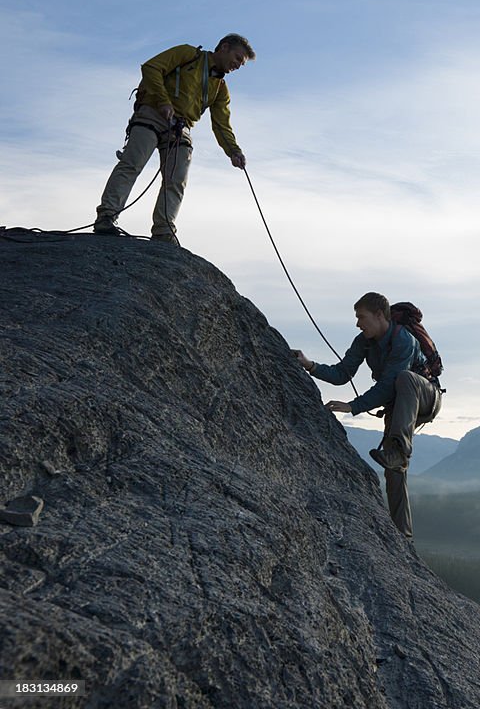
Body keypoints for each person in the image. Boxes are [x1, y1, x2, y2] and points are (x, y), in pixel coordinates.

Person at [293, 292, 442, 539]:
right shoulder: (364, 341)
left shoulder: (403, 340)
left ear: (380, 315)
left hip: (427, 396)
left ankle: (397, 449)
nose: (358, 323)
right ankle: (402, 535)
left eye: (361, 317)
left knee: (404, 381)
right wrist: (310, 365)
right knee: (395, 467)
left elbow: (388, 385)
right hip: (400, 403)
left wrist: (353, 406)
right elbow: (343, 373)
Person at [94, 34, 256, 243]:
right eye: (237, 58)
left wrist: (234, 150)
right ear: (224, 47)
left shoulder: (220, 88)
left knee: (177, 180)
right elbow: (151, 68)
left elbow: (221, 123)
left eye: (241, 63)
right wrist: (163, 101)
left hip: (182, 128)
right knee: (132, 164)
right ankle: (106, 217)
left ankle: (164, 230)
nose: (238, 65)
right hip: (152, 113)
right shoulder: (188, 55)